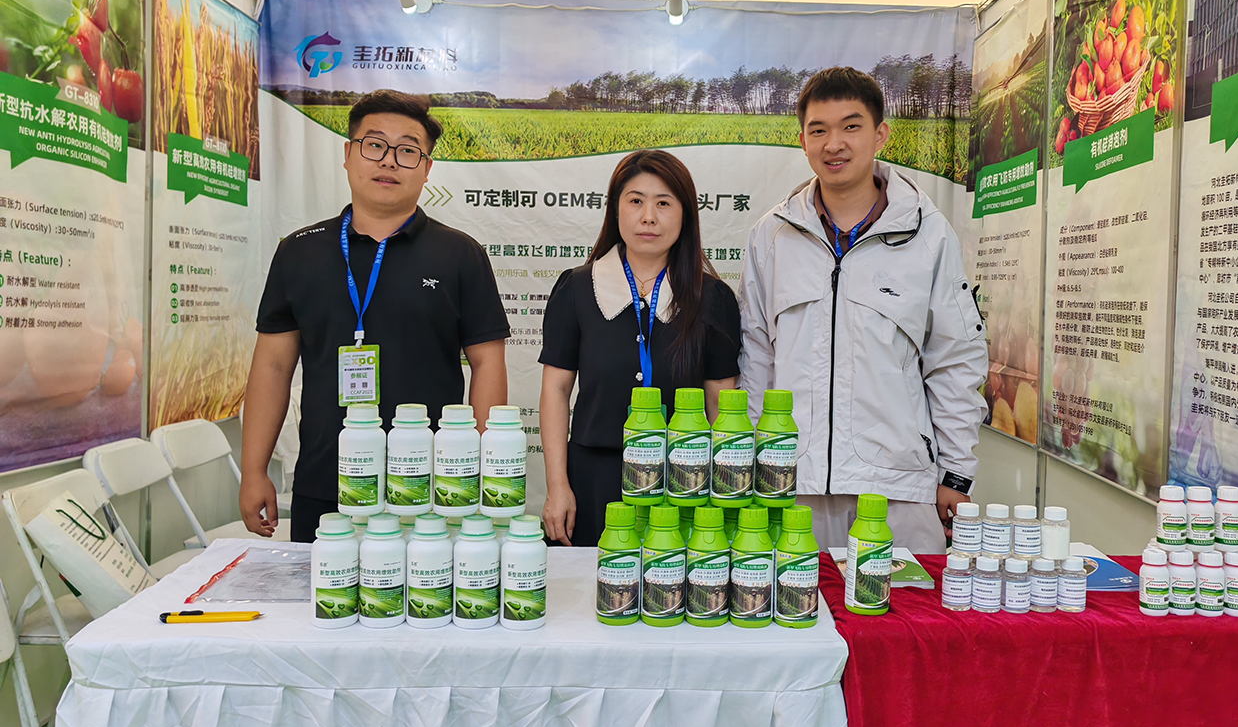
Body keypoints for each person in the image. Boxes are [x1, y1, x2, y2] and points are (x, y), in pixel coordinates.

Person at [240, 89, 511, 543]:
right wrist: (253, 470)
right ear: (348, 155)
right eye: (375, 145)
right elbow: (272, 366)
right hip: (327, 482)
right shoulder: (299, 252)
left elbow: (488, 363)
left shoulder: (460, 255)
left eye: (407, 150)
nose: (389, 161)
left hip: (434, 488)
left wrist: (480, 470)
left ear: (426, 169)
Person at [738, 67, 988, 553]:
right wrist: (755, 463)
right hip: (793, 485)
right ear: (803, 141)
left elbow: (955, 360)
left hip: (898, 486)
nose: (834, 144)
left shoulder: (928, 234)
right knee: (794, 602)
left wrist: (956, 474)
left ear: (880, 135)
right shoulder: (771, 235)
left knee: (908, 604)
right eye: (818, 130)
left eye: (851, 126)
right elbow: (756, 359)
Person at [539, 149, 742, 546]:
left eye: (663, 203)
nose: (648, 216)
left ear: (685, 215)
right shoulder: (577, 289)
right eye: (635, 201)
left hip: (684, 482)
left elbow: (720, 404)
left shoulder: (713, 298)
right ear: (616, 210)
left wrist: (721, 496)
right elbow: (555, 391)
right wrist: (557, 486)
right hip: (593, 479)